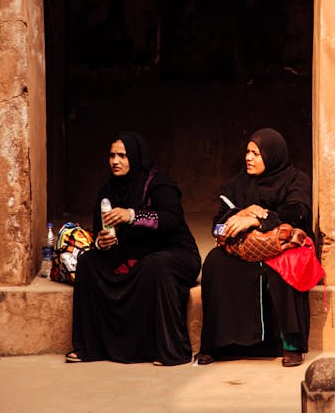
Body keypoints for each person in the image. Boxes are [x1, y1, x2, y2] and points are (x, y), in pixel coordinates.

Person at [66, 130, 201, 365]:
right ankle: (89, 348)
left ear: (136, 157)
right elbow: (100, 230)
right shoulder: (107, 191)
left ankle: (172, 351)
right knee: (88, 261)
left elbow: (171, 219)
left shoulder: (158, 184)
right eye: (112, 156)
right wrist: (101, 242)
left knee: (154, 265)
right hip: (129, 257)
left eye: (123, 156)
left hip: (174, 254)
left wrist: (132, 215)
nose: (115, 161)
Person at [196, 127, 314, 367]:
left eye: (256, 153)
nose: (248, 158)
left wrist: (259, 219)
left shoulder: (296, 179)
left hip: (280, 245)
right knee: (215, 262)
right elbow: (216, 227)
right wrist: (239, 214)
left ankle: (290, 345)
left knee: (282, 267)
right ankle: (218, 344)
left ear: (272, 155)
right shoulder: (237, 185)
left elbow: (296, 213)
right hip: (243, 249)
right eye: (248, 152)